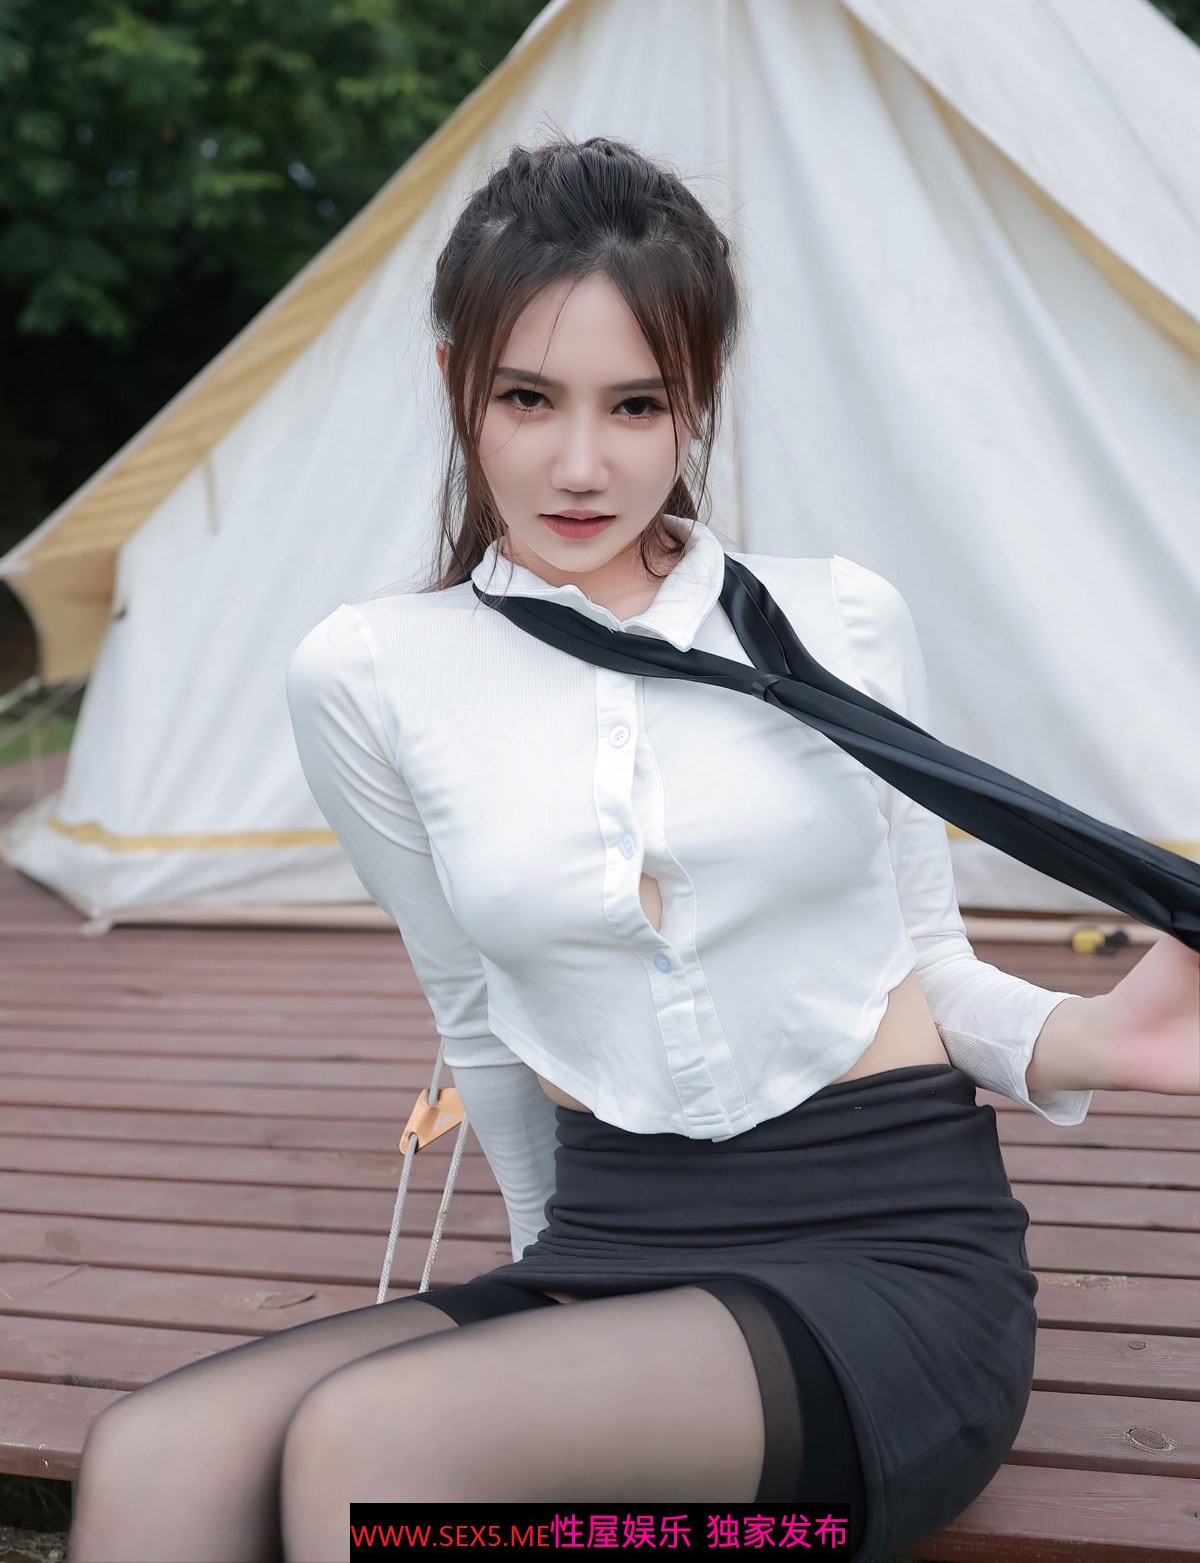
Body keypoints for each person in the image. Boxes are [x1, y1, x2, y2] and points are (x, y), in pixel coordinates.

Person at [69, 134, 1119, 1563]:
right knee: (157, 1461)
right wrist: (544, 1335)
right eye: (528, 397)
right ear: (457, 382)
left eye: (637, 404)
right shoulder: (371, 673)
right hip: (617, 1243)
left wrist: (1107, 1039)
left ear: (697, 400)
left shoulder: (836, 623)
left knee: (382, 1449)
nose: (581, 463)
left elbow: (929, 965)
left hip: (888, 1260)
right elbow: (478, 1017)